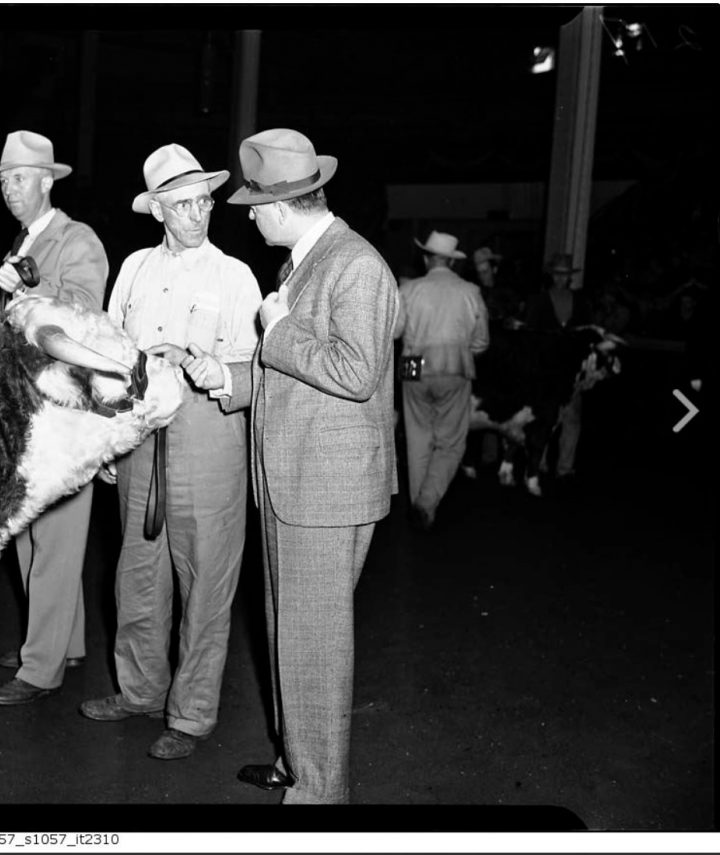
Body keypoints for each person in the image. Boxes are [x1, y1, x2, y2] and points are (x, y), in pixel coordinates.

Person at [183, 128, 401, 803]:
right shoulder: (305, 263)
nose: (248, 214)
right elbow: (292, 371)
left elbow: (354, 371)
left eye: (254, 203)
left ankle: (318, 793)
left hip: (325, 489)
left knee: (314, 647)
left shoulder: (354, 264)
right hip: (292, 481)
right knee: (291, 635)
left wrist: (276, 331)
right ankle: (297, 759)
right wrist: (232, 377)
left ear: (285, 204)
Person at [78, 144, 261, 760]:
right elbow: (108, 353)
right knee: (137, 572)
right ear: (157, 208)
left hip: (206, 436)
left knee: (206, 578)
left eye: (203, 200)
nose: (197, 214)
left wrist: (207, 365)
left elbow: (252, 367)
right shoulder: (131, 268)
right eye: (181, 204)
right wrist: (105, 434)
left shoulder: (234, 276)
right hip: (138, 433)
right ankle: (139, 690)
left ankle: (191, 714)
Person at [0, 130, 109, 706]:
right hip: (30, 409)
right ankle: (64, 642)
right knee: (36, 534)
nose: (9, 188)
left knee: (54, 537)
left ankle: (40, 668)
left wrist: (27, 283)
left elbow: (83, 308)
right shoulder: (22, 240)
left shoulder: (74, 238)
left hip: (65, 411)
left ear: (48, 180)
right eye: (4, 179)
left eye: (18, 177)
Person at [399, 231, 489, 529]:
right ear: (452, 262)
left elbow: (395, 333)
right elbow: (481, 342)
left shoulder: (410, 289)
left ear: (426, 258)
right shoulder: (470, 291)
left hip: (413, 365)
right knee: (450, 443)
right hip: (454, 366)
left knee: (417, 438)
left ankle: (420, 506)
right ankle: (426, 502)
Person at [524, 252, 592, 481]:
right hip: (546, 370)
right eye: (558, 274)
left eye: (565, 275)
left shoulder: (580, 302)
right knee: (545, 417)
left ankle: (564, 466)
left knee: (571, 418)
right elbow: (530, 336)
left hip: (570, 369)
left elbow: (586, 335)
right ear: (552, 275)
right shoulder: (539, 301)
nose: (561, 278)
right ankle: (540, 462)